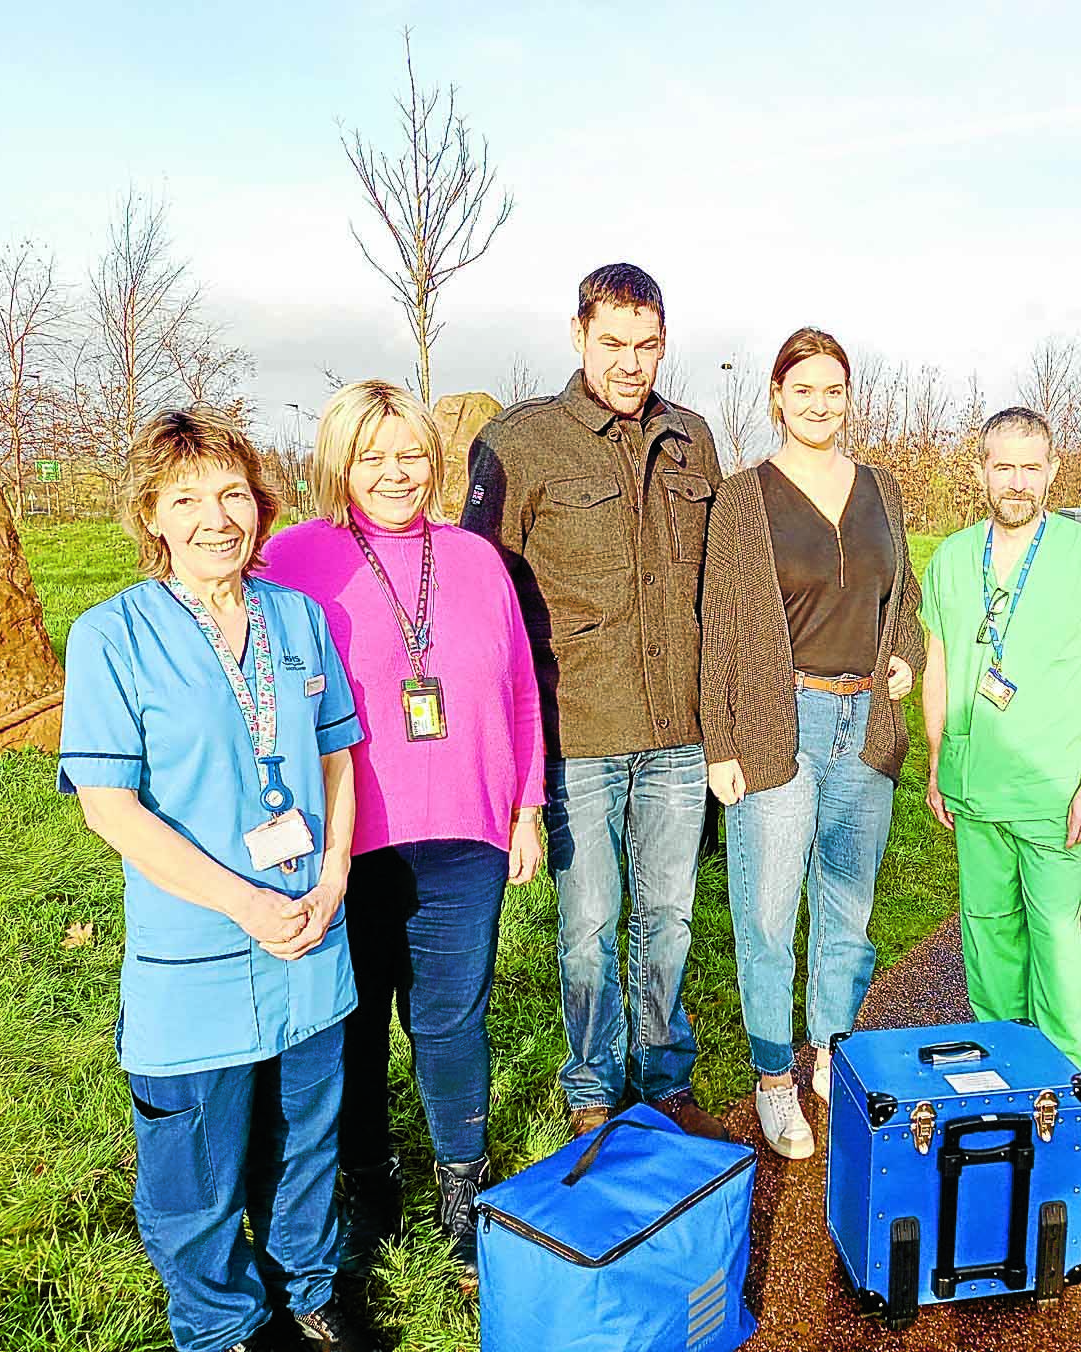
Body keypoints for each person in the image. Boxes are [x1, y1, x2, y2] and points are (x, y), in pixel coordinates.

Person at [58, 407, 381, 1352]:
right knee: (193, 1167)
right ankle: (220, 1322)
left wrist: (333, 878)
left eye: (234, 492)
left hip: (311, 929)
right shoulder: (109, 636)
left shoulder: (298, 618)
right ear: (150, 515)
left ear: (261, 504)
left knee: (309, 1137)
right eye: (187, 498)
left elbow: (334, 760)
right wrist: (244, 900)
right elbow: (108, 806)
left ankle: (309, 1289)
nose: (216, 517)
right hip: (197, 946)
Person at [261, 379, 545, 1278]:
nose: (394, 473)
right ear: (339, 464)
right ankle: (367, 1181)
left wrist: (526, 805)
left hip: (467, 829)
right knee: (355, 1023)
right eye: (371, 457)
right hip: (349, 836)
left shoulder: (475, 559)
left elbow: (519, 689)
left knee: (452, 1020)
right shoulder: (294, 558)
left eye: (410, 455)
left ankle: (462, 1183)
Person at [461, 263, 727, 1140]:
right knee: (589, 923)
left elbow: (716, 587)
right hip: (577, 730)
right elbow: (480, 595)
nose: (630, 363)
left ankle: (662, 1071)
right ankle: (590, 1082)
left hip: (678, 734)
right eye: (612, 342)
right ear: (578, 336)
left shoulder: (692, 439)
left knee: (673, 916)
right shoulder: (522, 442)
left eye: (647, 345)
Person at [699, 328, 925, 1159]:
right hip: (775, 725)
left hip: (863, 724)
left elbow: (901, 599)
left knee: (848, 911)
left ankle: (832, 1051)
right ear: (775, 398)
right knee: (766, 916)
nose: (819, 405)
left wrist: (906, 655)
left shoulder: (883, 489)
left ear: (847, 396)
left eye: (833, 390)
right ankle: (772, 1081)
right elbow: (718, 626)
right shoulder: (743, 498)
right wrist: (720, 741)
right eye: (804, 391)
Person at [920, 406, 1081, 1170]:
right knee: (987, 938)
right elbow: (942, 669)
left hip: (1053, 790)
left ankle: (1068, 1099)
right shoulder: (952, 559)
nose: (1015, 481)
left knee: (1053, 941)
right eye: (1001, 466)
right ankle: (1000, 1087)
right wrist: (935, 764)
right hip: (973, 784)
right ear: (980, 470)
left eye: (1030, 466)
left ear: (1052, 471)